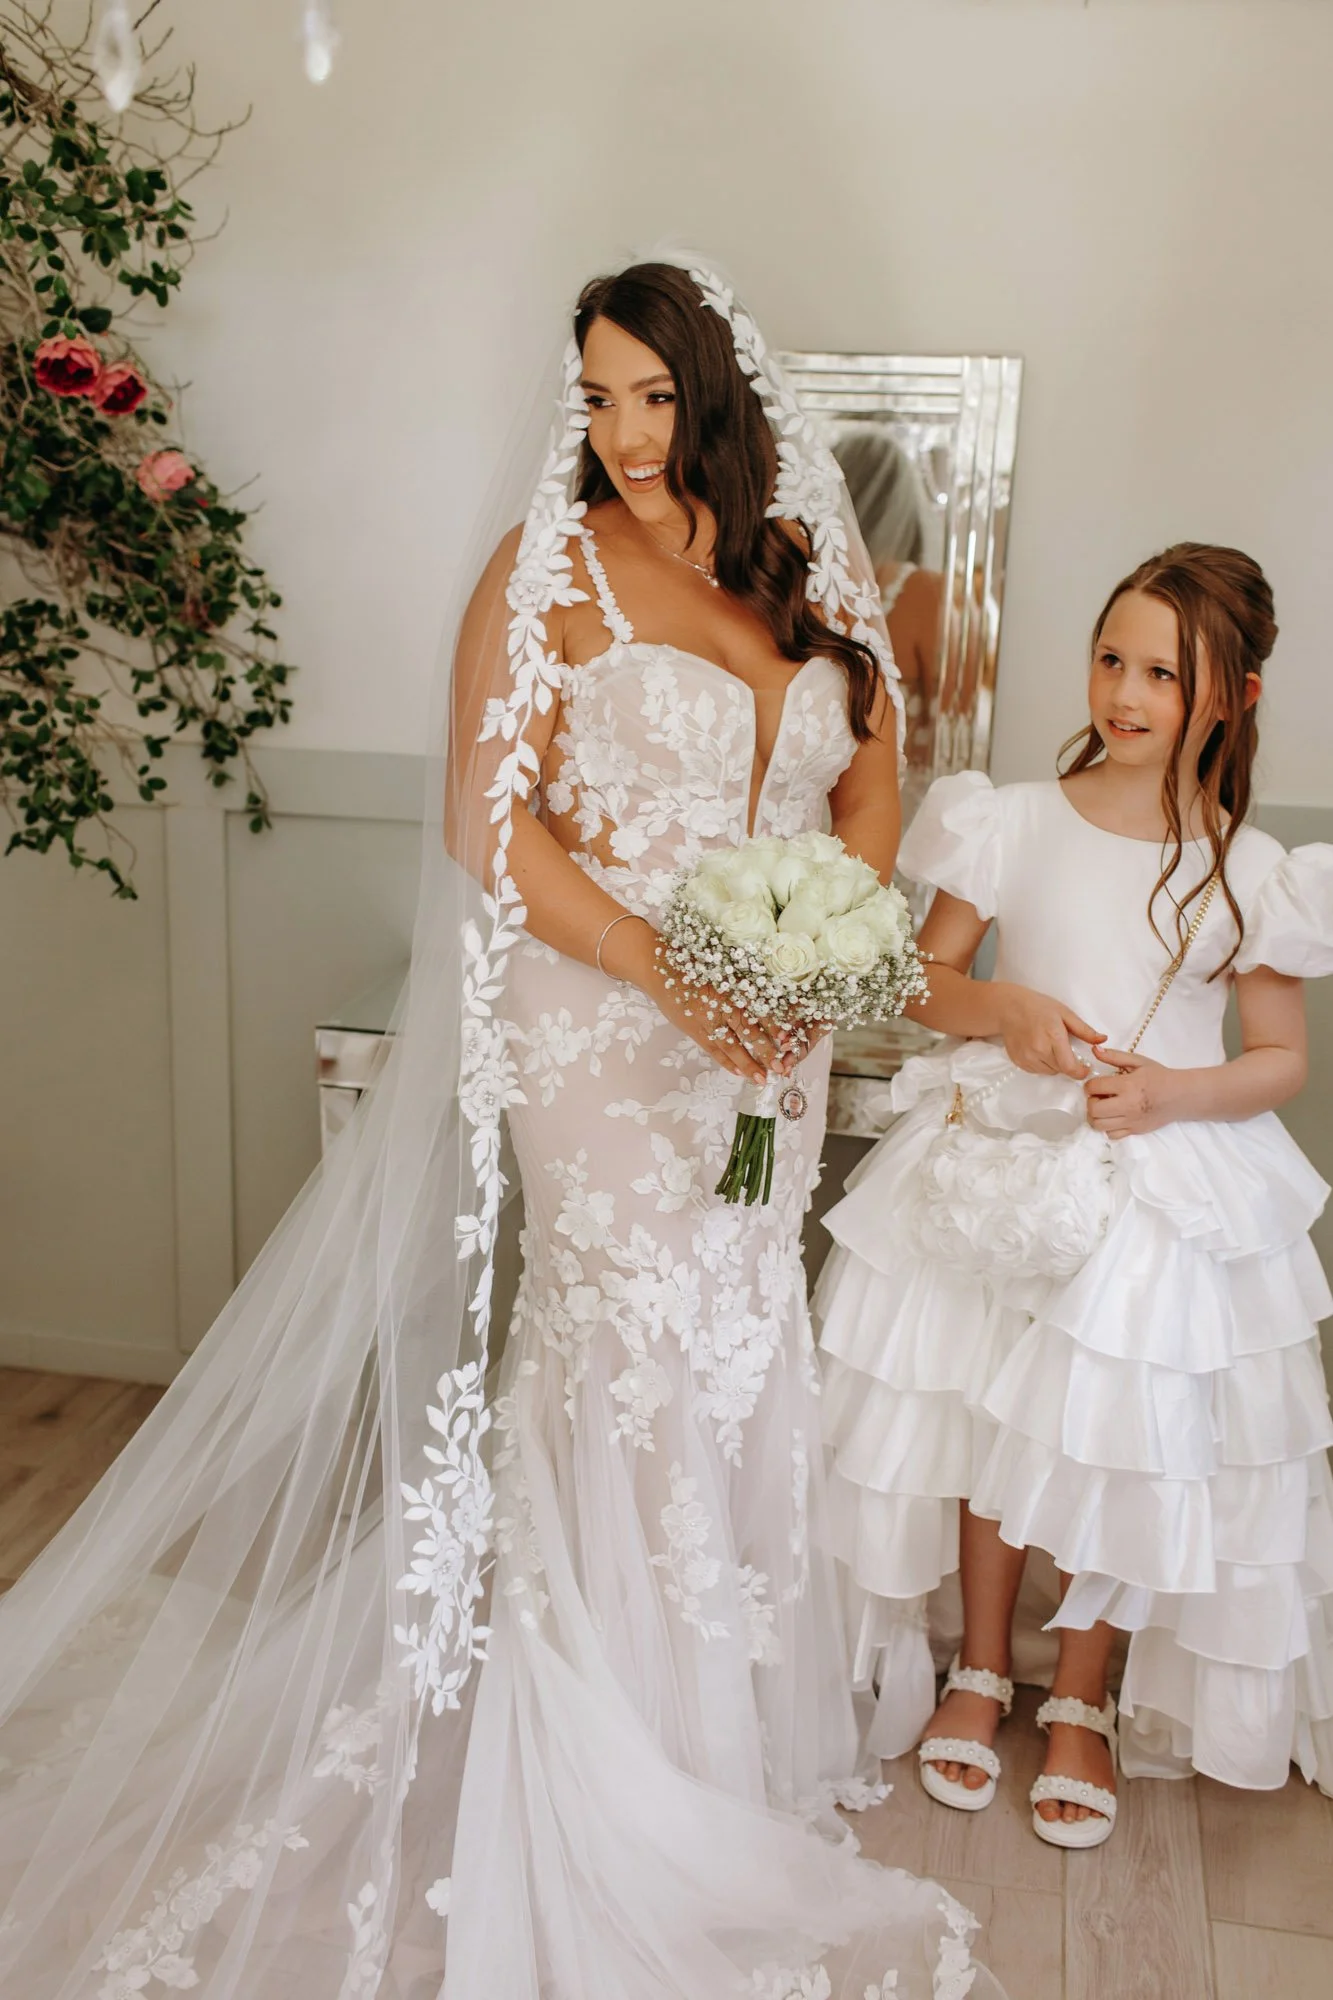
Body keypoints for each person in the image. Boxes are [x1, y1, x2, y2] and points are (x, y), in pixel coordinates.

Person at [0, 260, 1004, 1999]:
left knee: (745, 1336)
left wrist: (816, 943)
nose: (618, 436)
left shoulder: (809, 571)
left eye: (651, 398)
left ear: (715, 398)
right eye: (594, 398)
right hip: (600, 1021)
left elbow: (869, 776)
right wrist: (666, 969)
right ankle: (600, 1741)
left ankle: (730, 1727)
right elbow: (486, 821)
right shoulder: (545, 573)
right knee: (621, 1341)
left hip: (763, 1032)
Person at [816, 543, 1333, 1850]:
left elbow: (1278, 1060)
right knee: (994, 1418)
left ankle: (1085, 1693)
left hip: (1160, 1181)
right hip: (1001, 1155)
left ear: (1234, 696)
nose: (1127, 689)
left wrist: (1167, 1093)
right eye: (1114, 657)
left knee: (1114, 1428)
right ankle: (982, 1666)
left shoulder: (1250, 868)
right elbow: (921, 981)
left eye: (1163, 670)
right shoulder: (1014, 820)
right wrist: (1004, 1009)